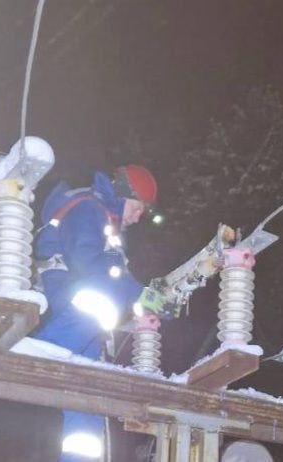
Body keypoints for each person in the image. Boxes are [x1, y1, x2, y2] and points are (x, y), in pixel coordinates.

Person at [33, 165, 168, 461]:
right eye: (137, 207)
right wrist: (139, 294)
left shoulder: (108, 225)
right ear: (122, 194)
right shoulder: (88, 208)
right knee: (105, 298)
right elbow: (90, 264)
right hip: (62, 289)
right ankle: (45, 347)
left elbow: (114, 276)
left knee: (88, 390)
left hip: (79, 312)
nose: (138, 216)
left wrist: (142, 303)